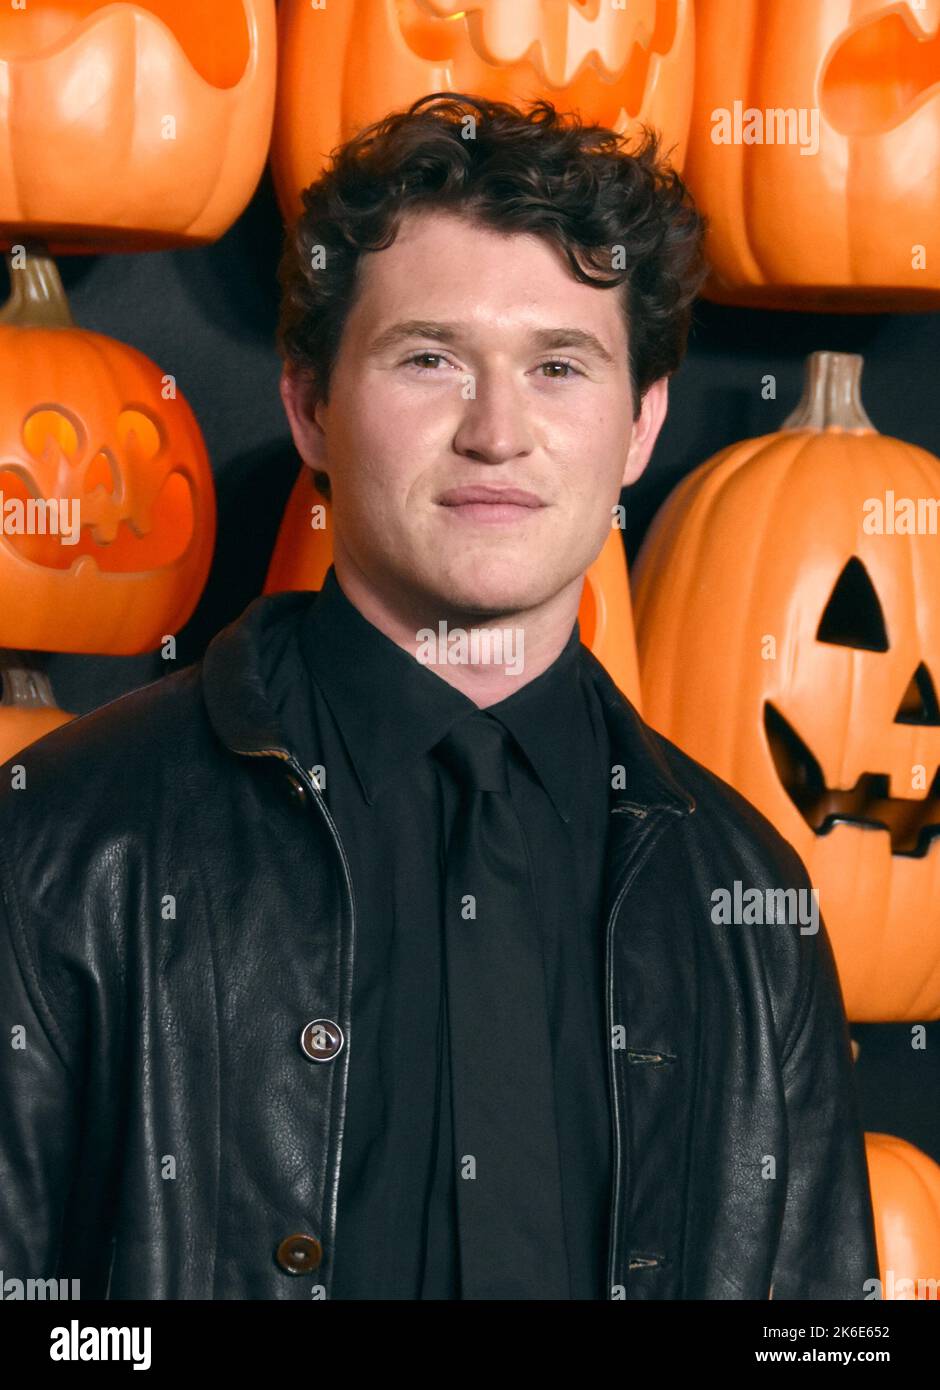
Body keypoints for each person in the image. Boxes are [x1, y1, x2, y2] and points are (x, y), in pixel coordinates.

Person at [0, 93, 878, 1300]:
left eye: (559, 366)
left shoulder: (749, 900)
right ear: (309, 405)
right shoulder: (58, 839)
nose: (497, 432)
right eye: (429, 359)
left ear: (640, 426)